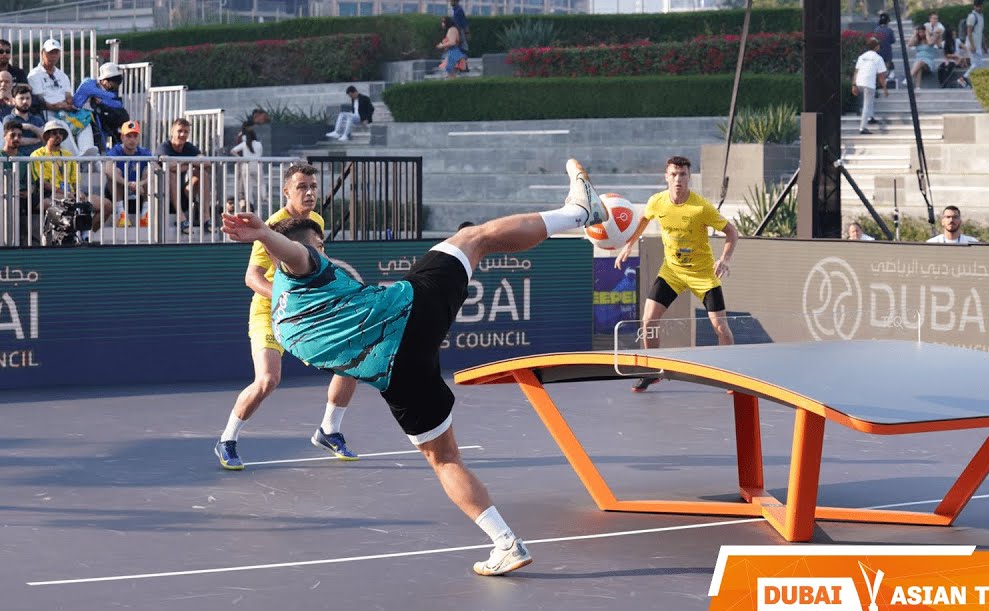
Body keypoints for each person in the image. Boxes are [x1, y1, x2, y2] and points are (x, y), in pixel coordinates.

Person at [217, 158, 609, 575]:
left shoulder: (286, 317)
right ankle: (580, 212)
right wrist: (265, 234)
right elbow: (295, 253)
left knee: (444, 460)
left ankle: (506, 542)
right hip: (413, 311)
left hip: (399, 375)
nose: (322, 250)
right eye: (318, 245)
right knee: (474, 238)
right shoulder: (304, 269)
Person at [215, 163, 362, 471]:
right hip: (269, 311)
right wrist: (287, 298)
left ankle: (329, 430)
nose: (309, 193)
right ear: (286, 191)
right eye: (301, 187)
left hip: (304, 313)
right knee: (267, 380)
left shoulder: (316, 221)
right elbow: (252, 277)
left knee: (352, 360)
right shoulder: (271, 227)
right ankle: (227, 440)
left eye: (313, 187)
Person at [612, 156, 740, 392]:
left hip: (703, 275)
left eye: (682, 175)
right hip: (671, 271)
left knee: (720, 327)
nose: (678, 179)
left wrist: (724, 259)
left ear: (689, 177)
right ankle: (652, 372)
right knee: (648, 320)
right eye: (673, 174)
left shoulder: (701, 207)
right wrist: (629, 245)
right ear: (666, 176)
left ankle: (731, 375)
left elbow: (732, 232)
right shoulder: (657, 201)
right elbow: (642, 220)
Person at [29, 119, 107, 234]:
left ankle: (85, 235)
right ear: (46, 136)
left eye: (61, 133)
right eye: (54, 133)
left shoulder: (68, 155)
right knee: (69, 204)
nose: (58, 136)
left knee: (107, 205)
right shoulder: (37, 155)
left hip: (71, 193)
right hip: (51, 195)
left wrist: (78, 191)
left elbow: (75, 179)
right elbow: (43, 183)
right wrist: (65, 193)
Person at [159, 117, 212, 233]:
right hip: (163, 198)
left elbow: (207, 162)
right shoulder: (165, 147)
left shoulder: (188, 147)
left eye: (186, 132)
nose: (182, 134)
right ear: (172, 132)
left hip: (184, 195)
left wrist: (184, 162)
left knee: (202, 172)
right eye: (179, 131)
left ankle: (206, 218)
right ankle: (181, 219)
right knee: (172, 173)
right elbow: (170, 166)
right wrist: (190, 162)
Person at [103, 119, 151, 228]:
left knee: (149, 170)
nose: (132, 140)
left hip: (139, 190)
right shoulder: (115, 151)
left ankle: (145, 214)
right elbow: (108, 169)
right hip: (118, 191)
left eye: (135, 136)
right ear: (122, 137)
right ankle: (121, 214)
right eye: (129, 136)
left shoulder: (144, 152)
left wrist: (140, 183)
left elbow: (156, 170)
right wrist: (128, 184)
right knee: (115, 173)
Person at [71, 62, 128, 153]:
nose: (114, 86)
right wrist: (106, 99)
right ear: (104, 80)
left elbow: (118, 104)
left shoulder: (109, 93)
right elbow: (105, 96)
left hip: (94, 119)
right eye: (113, 81)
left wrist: (102, 101)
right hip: (78, 118)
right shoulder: (89, 83)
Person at [852, 37, 888, 136]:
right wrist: (885, 88)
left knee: (869, 100)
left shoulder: (862, 56)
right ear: (876, 47)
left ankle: (871, 117)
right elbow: (881, 75)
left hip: (859, 81)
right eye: (878, 45)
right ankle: (862, 127)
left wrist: (854, 85)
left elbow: (856, 71)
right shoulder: (878, 58)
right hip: (868, 83)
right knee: (867, 105)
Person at [1, 84, 45, 155]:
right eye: (21, 98)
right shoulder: (9, 119)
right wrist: (37, 140)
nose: (25, 101)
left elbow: (45, 138)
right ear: (13, 100)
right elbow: (14, 140)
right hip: (17, 161)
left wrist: (30, 127)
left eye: (28, 98)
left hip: (36, 161)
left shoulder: (37, 120)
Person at [963, 1, 988, 83]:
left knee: (979, 65)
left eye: (980, 6)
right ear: (974, 6)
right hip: (972, 45)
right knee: (975, 64)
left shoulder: (981, 16)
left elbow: (980, 32)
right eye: (977, 6)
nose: (979, 8)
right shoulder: (972, 17)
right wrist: (972, 45)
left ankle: (974, 83)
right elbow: (969, 32)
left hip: (978, 45)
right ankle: (963, 79)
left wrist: (984, 45)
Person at [872, 13, 897, 87]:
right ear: (887, 21)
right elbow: (893, 40)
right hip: (887, 52)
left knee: (878, 68)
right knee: (885, 67)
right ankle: (884, 83)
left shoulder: (876, 30)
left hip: (878, 51)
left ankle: (879, 84)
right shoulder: (889, 30)